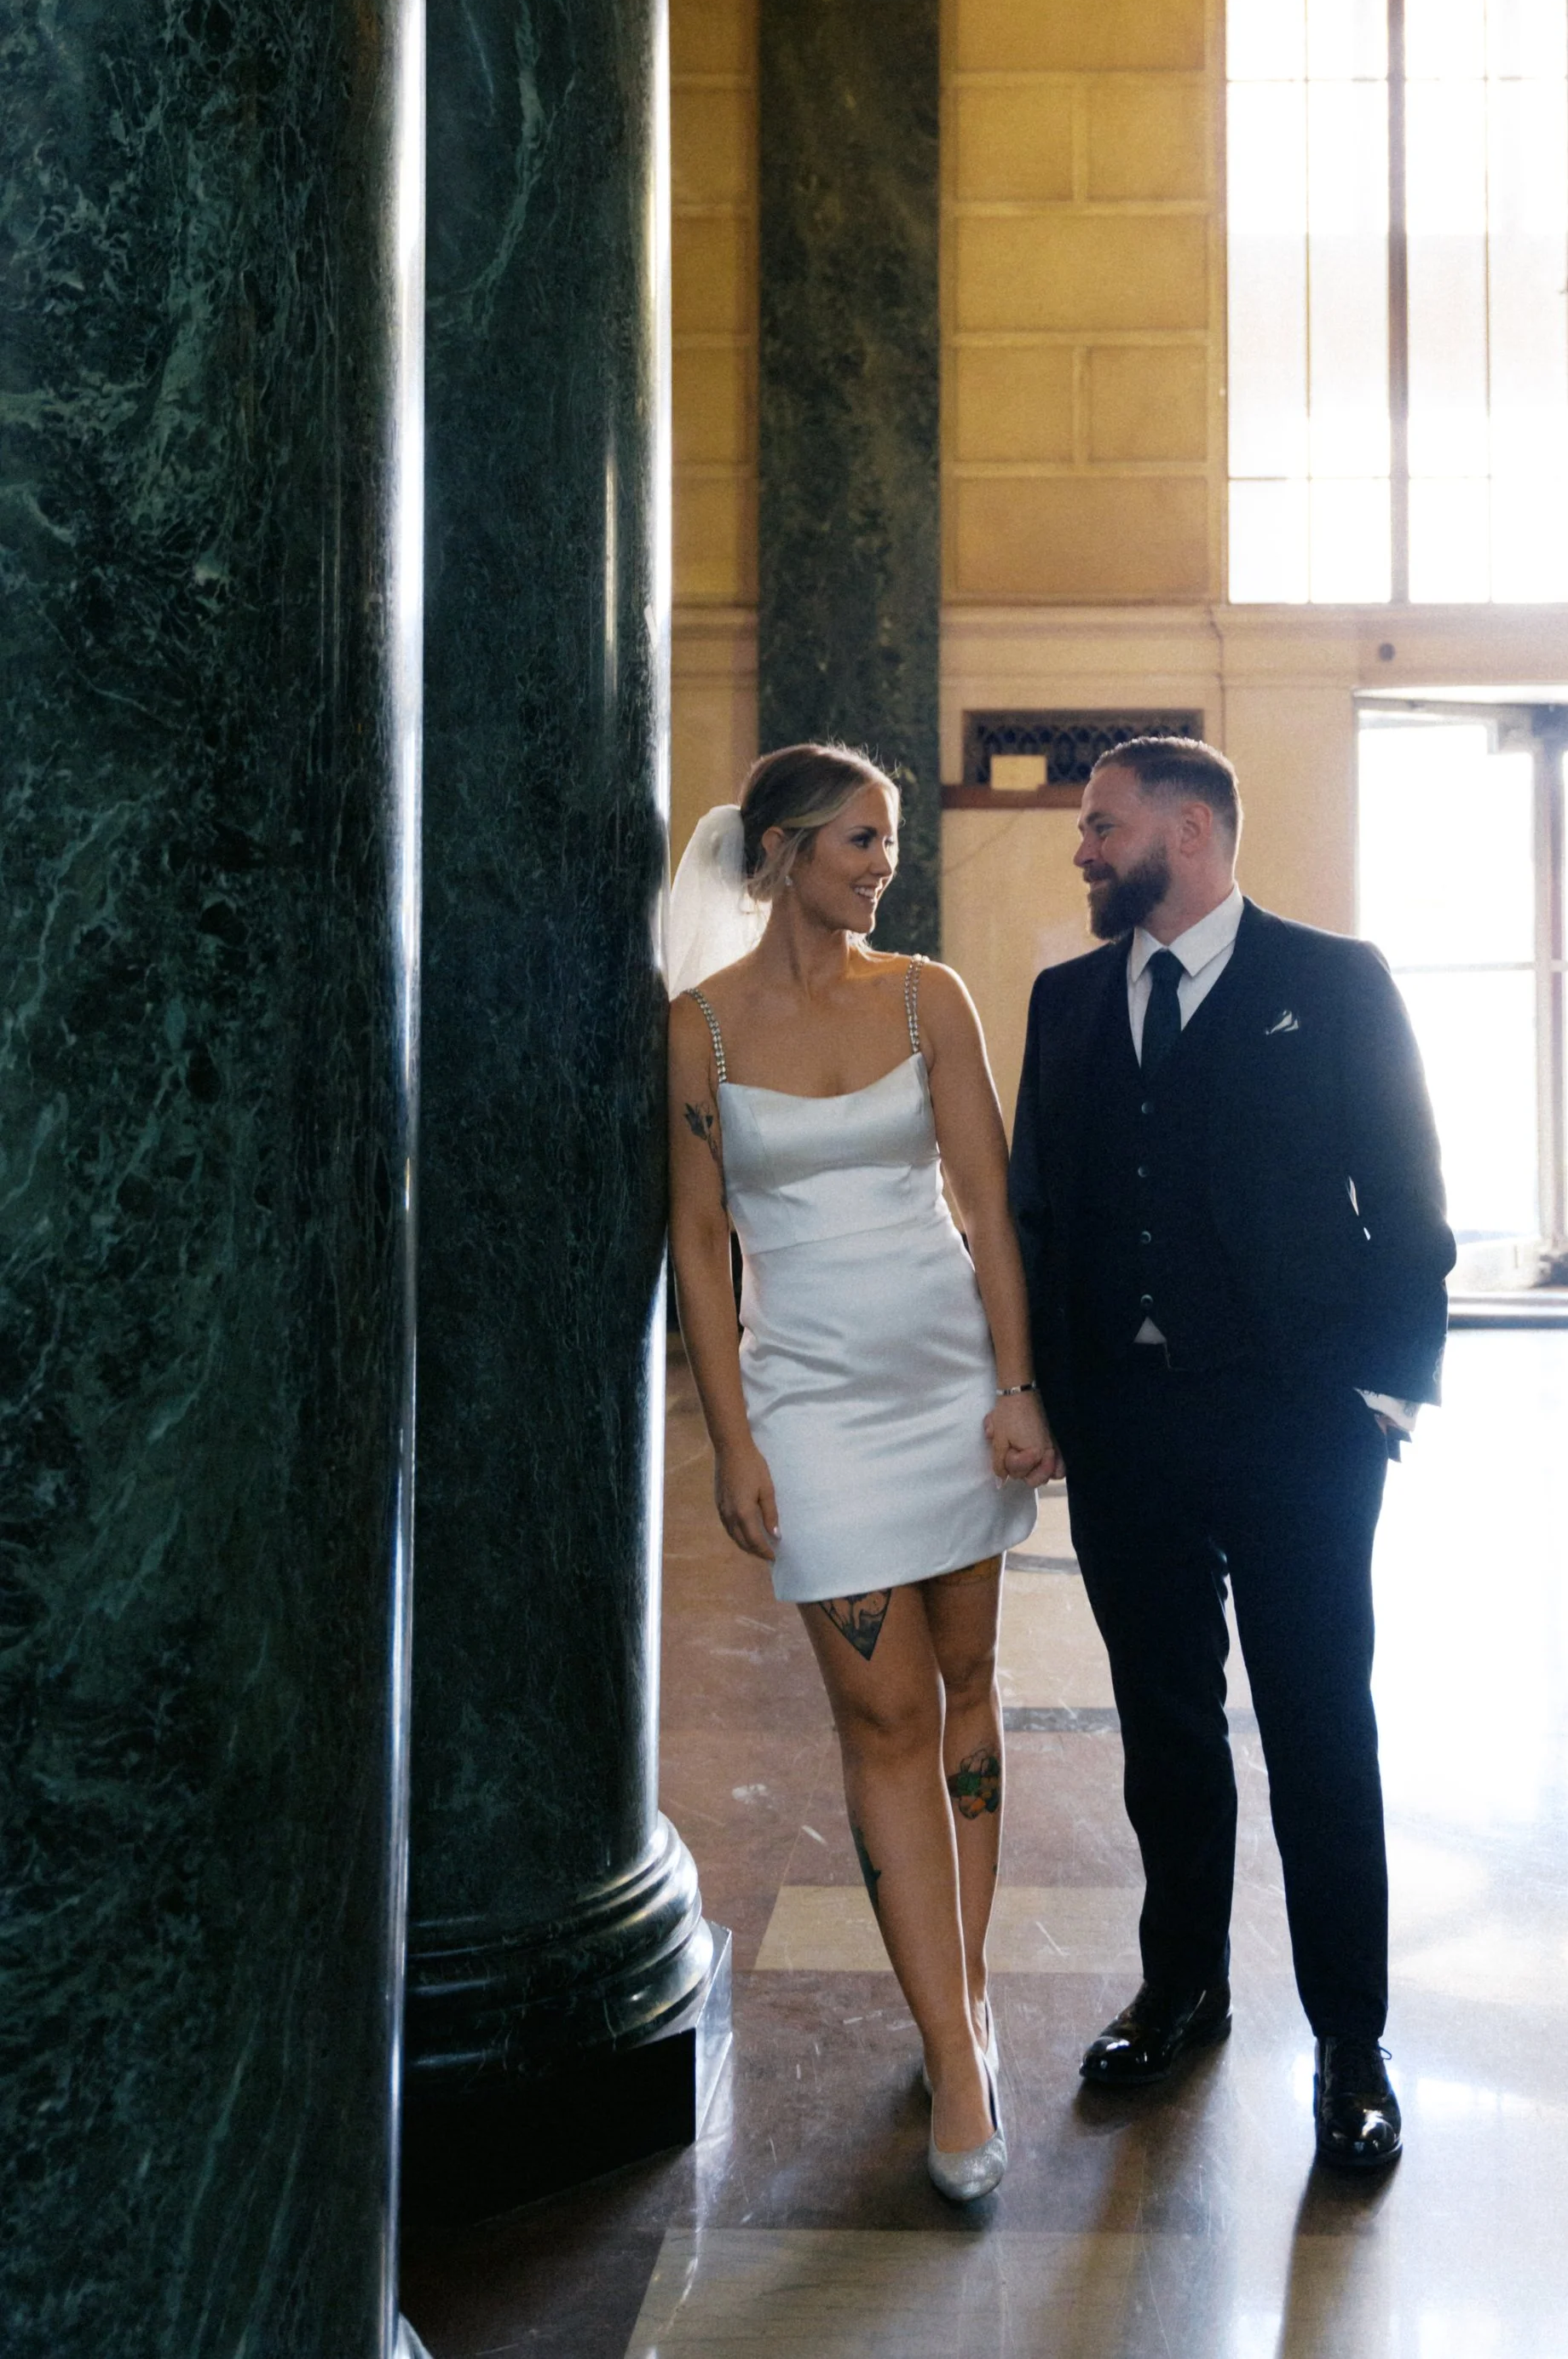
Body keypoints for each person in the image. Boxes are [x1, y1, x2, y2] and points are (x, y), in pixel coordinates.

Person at [1008, 735, 1454, 2172]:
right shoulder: (1065, 1001)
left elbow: (1409, 1198)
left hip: (1298, 1432)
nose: (1084, 848)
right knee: (1166, 1733)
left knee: (1322, 1734)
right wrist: (1049, 1392)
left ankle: (1351, 2042)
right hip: (1128, 1438)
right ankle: (1184, 1988)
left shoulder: (1333, 982)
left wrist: (1382, 1399)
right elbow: (1038, 1216)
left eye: (1103, 825)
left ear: (1188, 833)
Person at [666, 741, 1061, 2206]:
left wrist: (1017, 1384)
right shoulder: (699, 1032)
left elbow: (987, 1199)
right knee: (882, 1710)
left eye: (887, 838)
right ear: (776, 852)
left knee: (966, 1681)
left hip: (948, 1385)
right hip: (812, 1409)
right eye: (855, 839)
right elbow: (700, 1248)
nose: (881, 862)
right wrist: (733, 1435)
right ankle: (955, 2059)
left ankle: (961, 1998)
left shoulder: (926, 997)